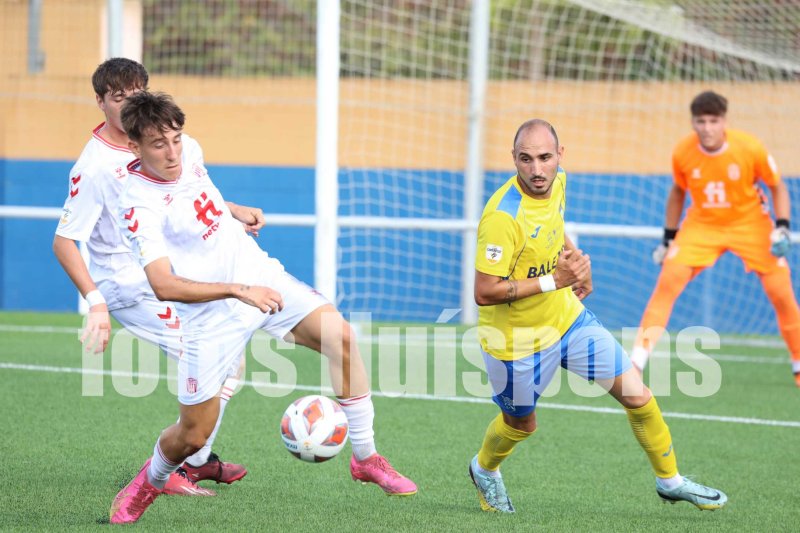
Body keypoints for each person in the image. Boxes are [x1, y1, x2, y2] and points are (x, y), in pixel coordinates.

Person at [108, 91, 417, 524]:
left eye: (176, 138)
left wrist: (233, 211)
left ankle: (365, 459)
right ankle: (150, 481)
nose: (173, 151)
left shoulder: (189, 151)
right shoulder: (137, 204)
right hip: (211, 315)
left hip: (261, 277)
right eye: (159, 145)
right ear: (133, 146)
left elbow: (200, 195)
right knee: (193, 436)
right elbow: (162, 284)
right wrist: (237, 290)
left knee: (342, 338)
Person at [467, 119, 727, 514]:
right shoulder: (503, 217)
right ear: (513, 160)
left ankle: (670, 480)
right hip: (514, 341)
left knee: (637, 395)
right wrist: (557, 279)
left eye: (545, 158)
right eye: (526, 159)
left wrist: (576, 264)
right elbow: (484, 293)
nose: (537, 170)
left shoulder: (558, 183)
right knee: (521, 425)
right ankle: (484, 469)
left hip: (568, 321)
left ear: (560, 156)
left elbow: (553, 227)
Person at [53, 58, 254, 495]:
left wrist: (232, 210)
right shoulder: (93, 167)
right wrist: (96, 302)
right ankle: (176, 469)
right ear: (101, 101)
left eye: (135, 93)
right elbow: (64, 242)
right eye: (118, 97)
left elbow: (188, 192)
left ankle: (195, 460)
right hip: (129, 287)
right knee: (215, 359)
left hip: (159, 274)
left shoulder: (152, 142)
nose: (127, 104)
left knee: (229, 362)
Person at [630, 91, 800, 386]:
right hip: (702, 225)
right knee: (667, 284)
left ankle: (798, 363)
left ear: (724, 122)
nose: (707, 128)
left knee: (781, 293)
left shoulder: (750, 148)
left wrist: (782, 226)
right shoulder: (683, 152)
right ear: (693, 123)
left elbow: (777, 187)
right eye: (701, 121)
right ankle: (636, 363)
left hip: (750, 225)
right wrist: (668, 238)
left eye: (713, 121)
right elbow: (677, 192)